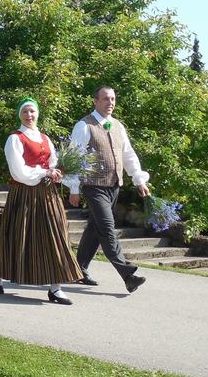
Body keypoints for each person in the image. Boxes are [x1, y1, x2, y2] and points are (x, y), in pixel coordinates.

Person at [0, 98, 83, 304]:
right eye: (25, 112)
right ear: (19, 115)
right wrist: (44, 172)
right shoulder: (15, 139)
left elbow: (53, 161)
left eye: (32, 111)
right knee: (16, 234)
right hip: (24, 193)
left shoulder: (44, 138)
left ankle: (56, 287)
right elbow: (18, 171)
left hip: (47, 193)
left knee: (56, 233)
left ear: (38, 113)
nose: (29, 115)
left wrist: (58, 173)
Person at [65, 86, 152, 293]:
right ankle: (128, 275)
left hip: (113, 186)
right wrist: (74, 188)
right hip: (93, 186)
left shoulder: (118, 126)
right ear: (95, 101)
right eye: (105, 99)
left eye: (113, 99)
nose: (110, 102)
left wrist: (139, 180)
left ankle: (78, 269)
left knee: (95, 229)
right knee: (107, 228)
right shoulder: (84, 126)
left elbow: (129, 155)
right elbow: (73, 157)